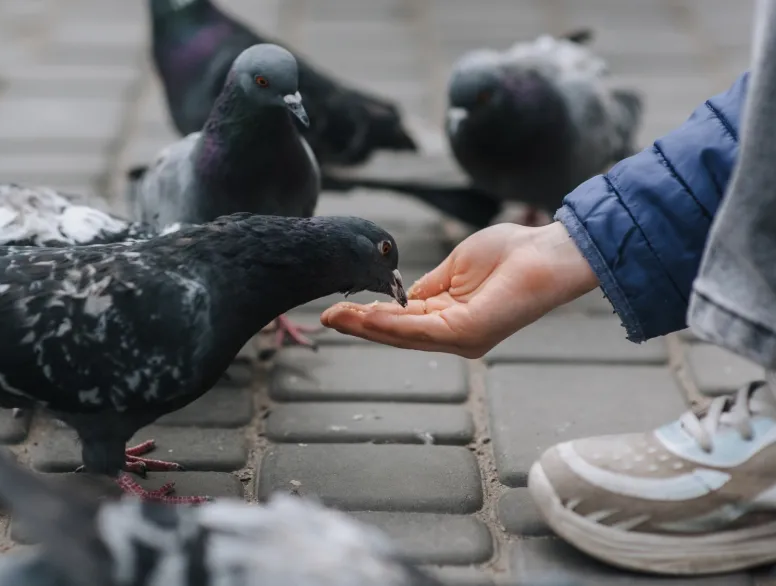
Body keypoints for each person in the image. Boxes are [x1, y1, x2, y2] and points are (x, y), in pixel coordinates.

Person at [321, 0, 776, 576]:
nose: (458, 120)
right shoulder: (479, 120)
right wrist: (566, 244)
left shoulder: (569, 115)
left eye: (474, 105)